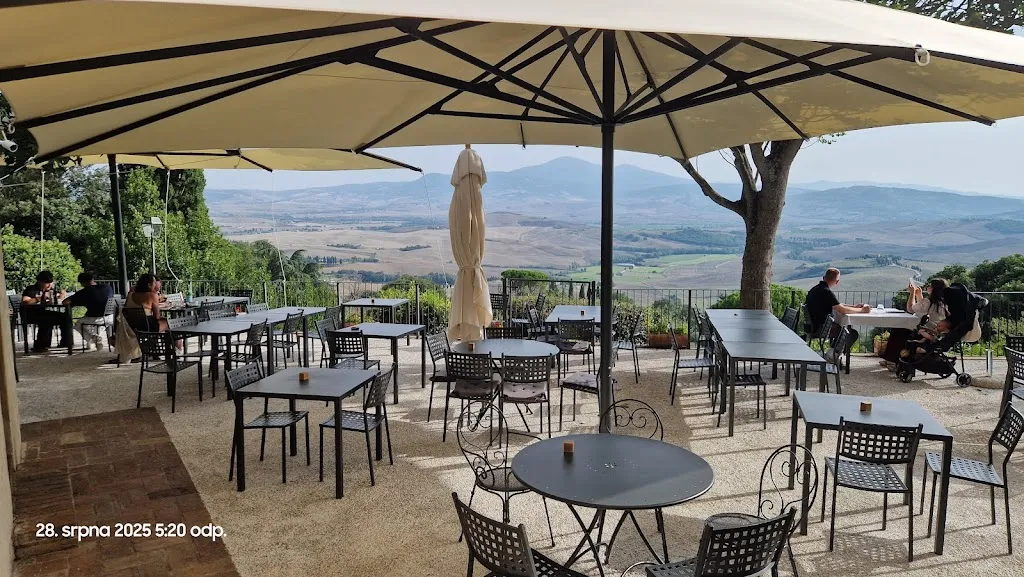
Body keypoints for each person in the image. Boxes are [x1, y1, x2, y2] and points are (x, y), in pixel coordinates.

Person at [20, 270, 71, 352]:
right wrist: (38, 298)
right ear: (40, 281)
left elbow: (58, 297)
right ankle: (40, 346)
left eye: (50, 282)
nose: (49, 284)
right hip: (29, 314)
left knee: (65, 316)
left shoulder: (49, 290)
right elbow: (25, 302)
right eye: (47, 282)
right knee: (47, 319)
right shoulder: (31, 289)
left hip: (42, 312)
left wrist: (61, 295)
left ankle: (66, 342)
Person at [63, 272, 115, 350]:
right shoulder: (107, 287)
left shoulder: (85, 292)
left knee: (78, 324)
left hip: (95, 318)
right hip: (111, 317)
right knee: (90, 321)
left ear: (82, 283)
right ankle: (93, 340)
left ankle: (93, 338)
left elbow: (65, 302)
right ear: (92, 279)